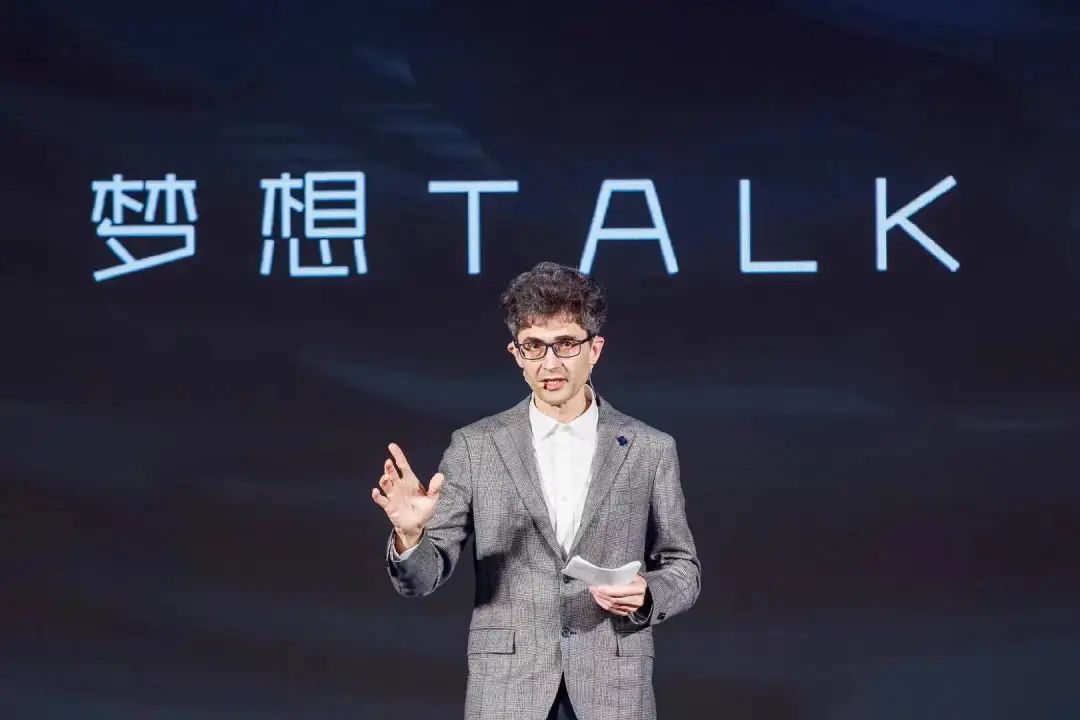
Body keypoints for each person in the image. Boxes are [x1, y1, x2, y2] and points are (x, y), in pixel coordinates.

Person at [372, 261, 701, 719]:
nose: (550, 363)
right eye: (533, 346)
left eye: (565, 344)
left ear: (594, 349)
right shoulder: (476, 446)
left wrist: (648, 592)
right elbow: (422, 578)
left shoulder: (649, 448)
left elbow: (683, 568)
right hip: (508, 689)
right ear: (516, 354)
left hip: (613, 688)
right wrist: (411, 536)